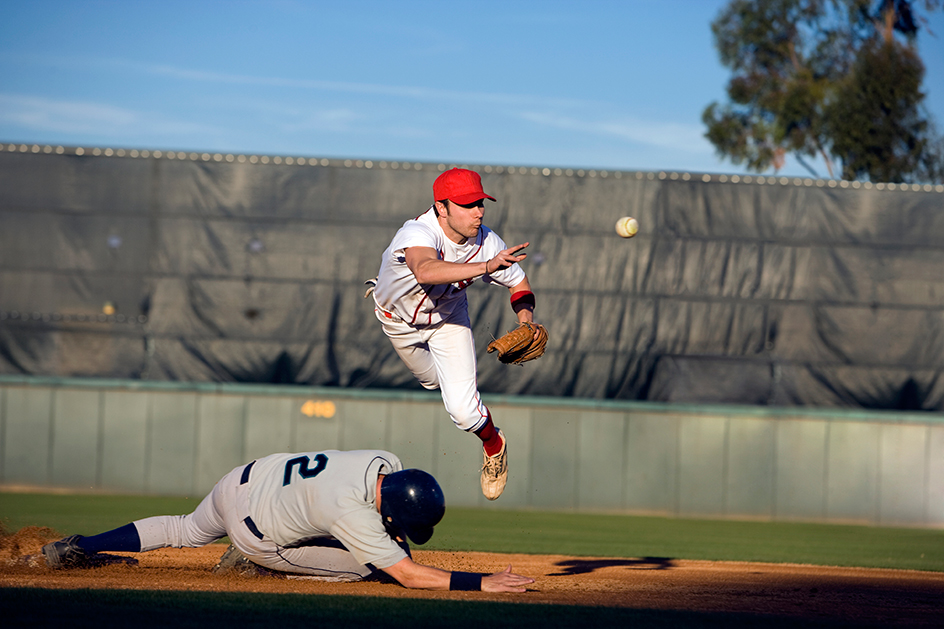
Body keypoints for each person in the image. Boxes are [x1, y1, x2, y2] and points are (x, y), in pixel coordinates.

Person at [41, 449, 533, 592]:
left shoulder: (383, 459)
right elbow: (408, 575)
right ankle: (256, 564)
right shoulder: (349, 511)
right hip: (256, 534)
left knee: (184, 529)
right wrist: (480, 581)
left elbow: (377, 507)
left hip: (244, 478)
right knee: (374, 565)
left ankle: (80, 545)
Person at [369, 168, 540, 501]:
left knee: (463, 412)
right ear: (441, 208)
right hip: (397, 322)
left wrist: (526, 321)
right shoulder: (418, 231)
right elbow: (426, 269)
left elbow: (518, 282)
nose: (478, 211)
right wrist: (485, 267)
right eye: (466, 204)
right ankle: (446, 386)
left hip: (449, 320)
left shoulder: (487, 241)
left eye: (480, 203)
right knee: (432, 382)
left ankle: (494, 445)